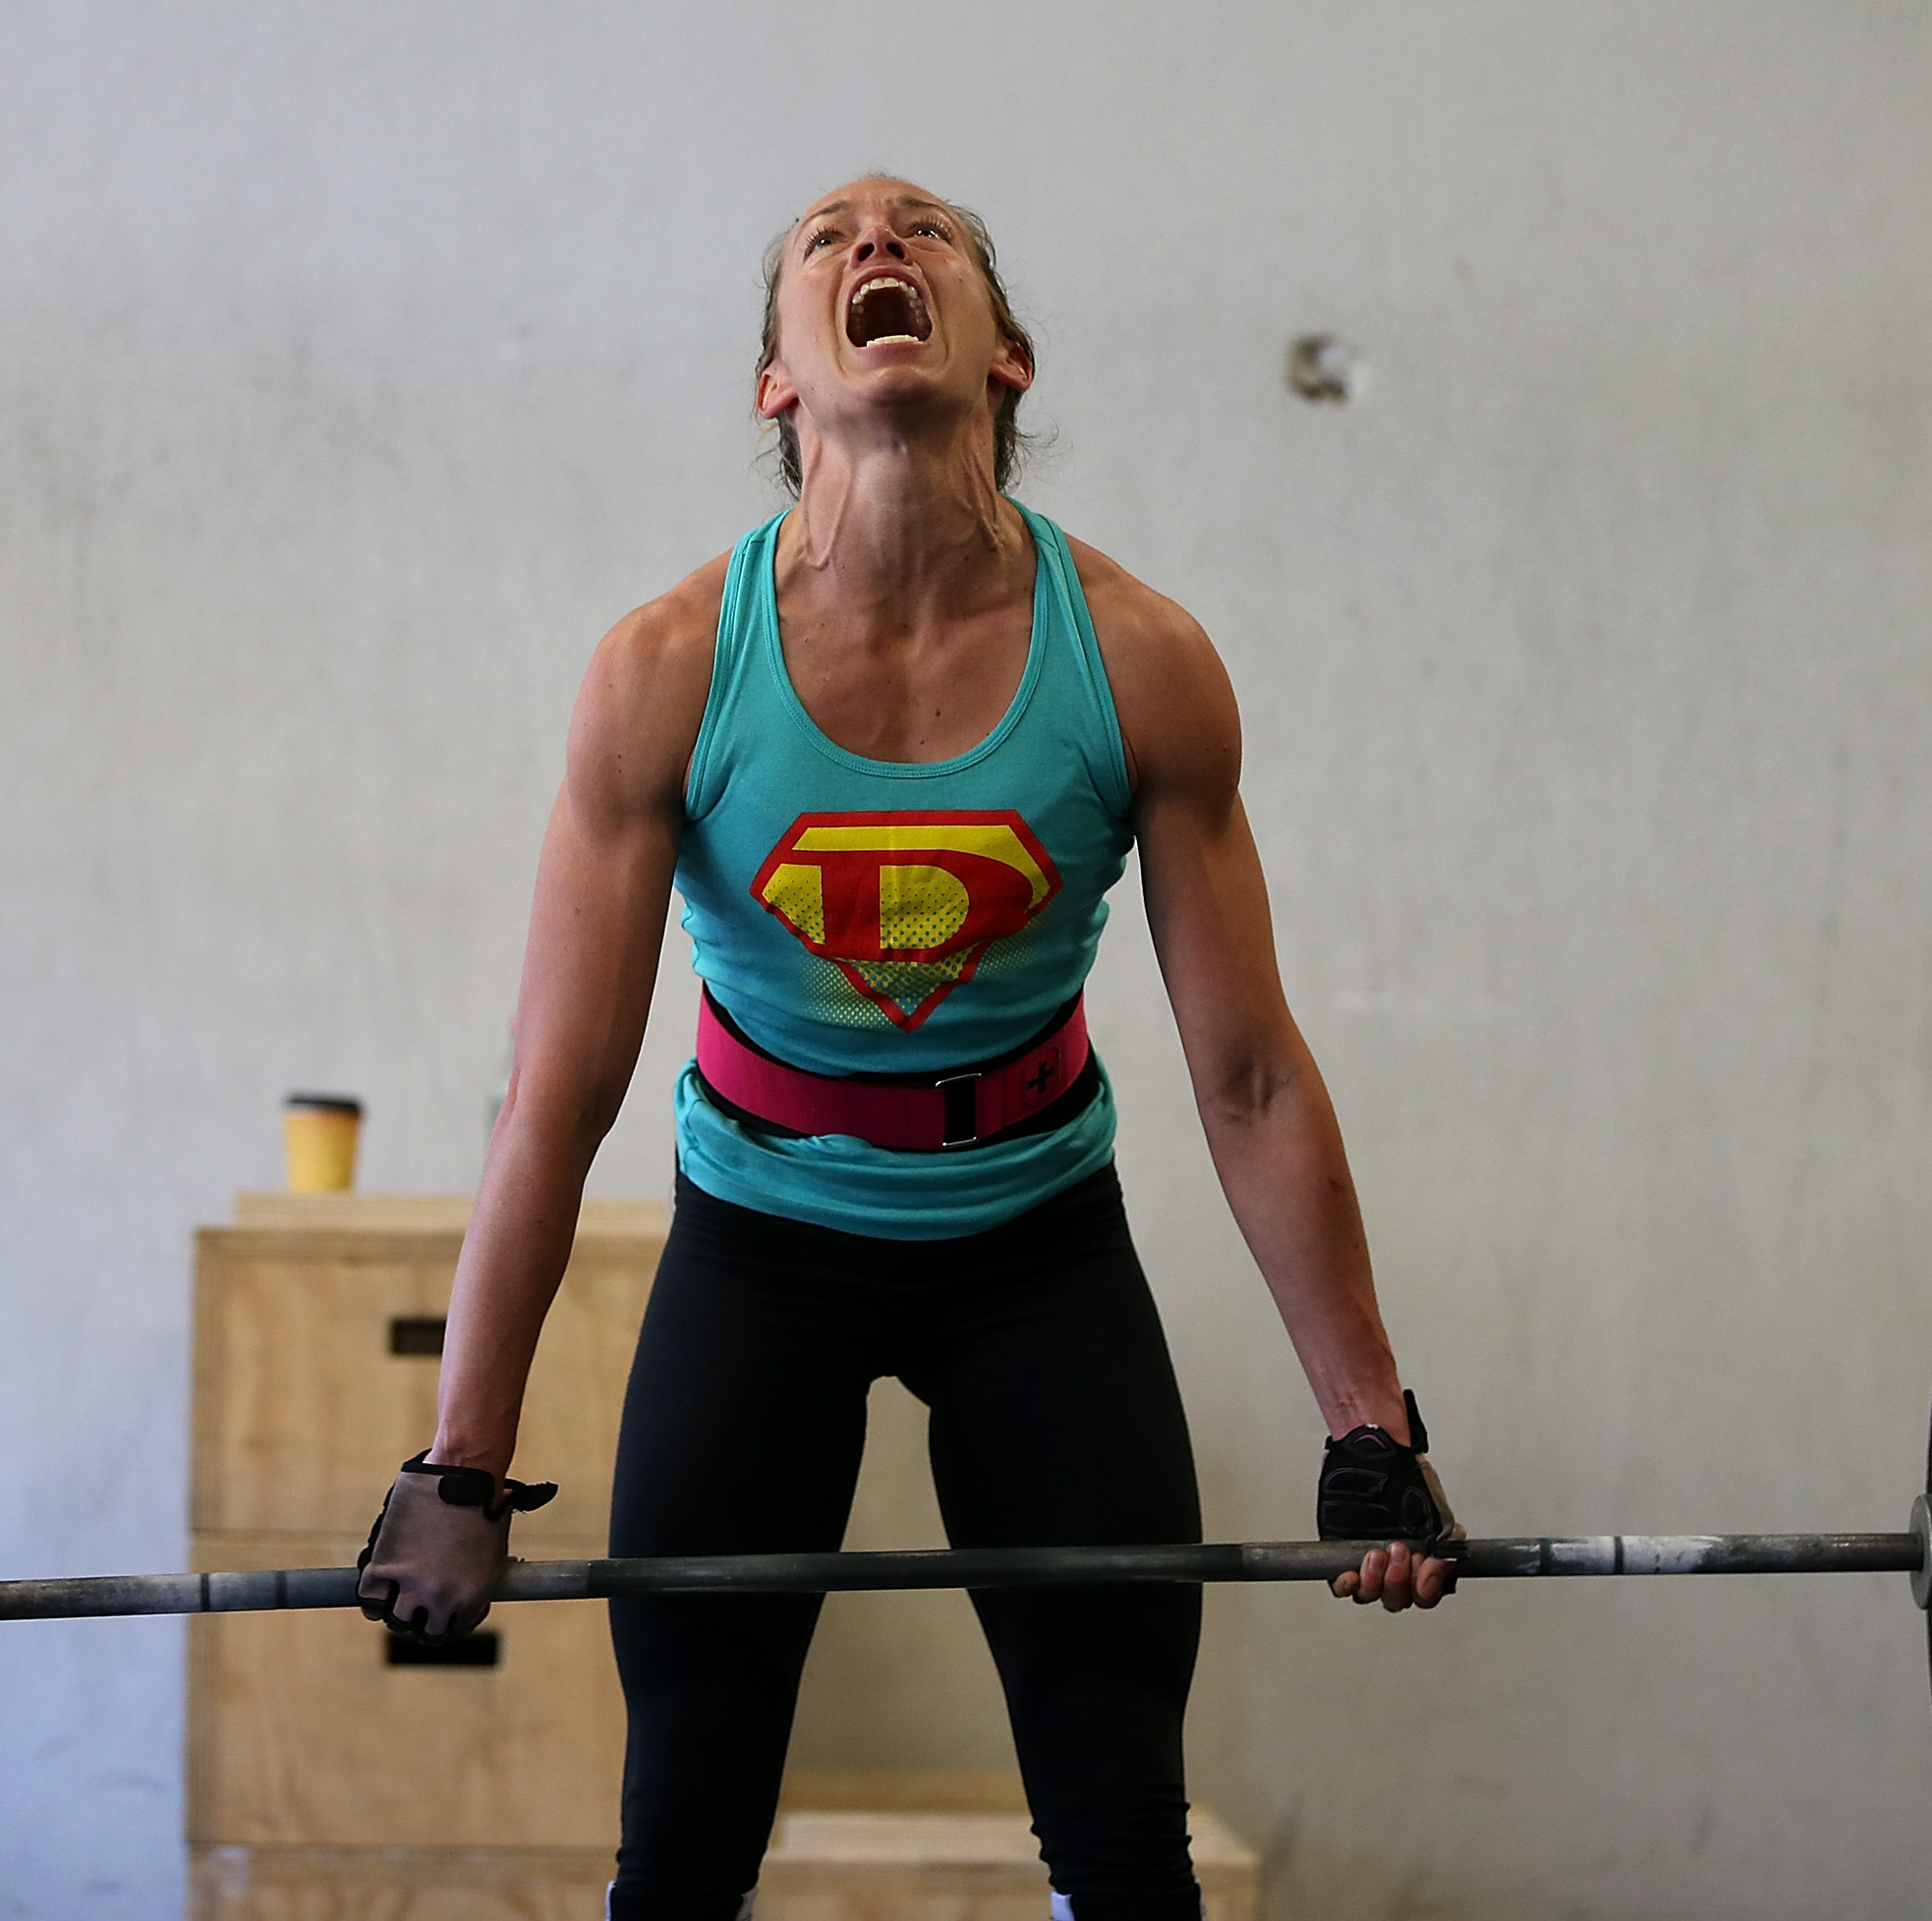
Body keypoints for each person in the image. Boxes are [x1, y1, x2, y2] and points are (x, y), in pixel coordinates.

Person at [356, 176, 1456, 1921]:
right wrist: (461, 1460)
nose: (877, 245)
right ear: (777, 380)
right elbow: (554, 1104)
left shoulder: (1146, 664)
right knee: (687, 1842)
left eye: (925, 230)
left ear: (1006, 354)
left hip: (1037, 1253)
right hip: (759, 1245)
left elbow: (1245, 1078)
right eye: (829, 241)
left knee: (1121, 1840)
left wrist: (1369, 1422)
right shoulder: (661, 671)